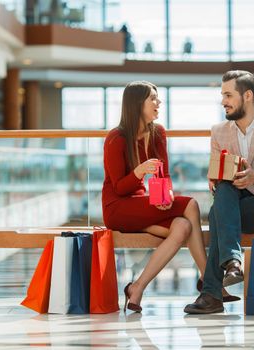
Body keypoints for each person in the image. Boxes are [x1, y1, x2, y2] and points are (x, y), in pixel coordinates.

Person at [184, 70, 254, 314]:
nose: (223, 101)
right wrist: (214, 179)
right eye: (222, 95)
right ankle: (232, 264)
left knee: (217, 215)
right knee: (222, 193)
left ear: (247, 96)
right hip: (231, 204)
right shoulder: (219, 131)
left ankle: (213, 291)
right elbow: (216, 178)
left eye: (228, 95)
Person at [103, 81, 215, 313]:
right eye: (152, 98)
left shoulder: (157, 133)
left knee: (183, 226)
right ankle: (210, 282)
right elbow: (120, 188)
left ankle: (137, 287)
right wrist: (139, 171)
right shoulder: (116, 139)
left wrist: (167, 195)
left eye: (158, 98)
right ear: (136, 104)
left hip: (143, 205)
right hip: (118, 207)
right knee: (191, 204)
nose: (158, 103)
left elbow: (164, 175)